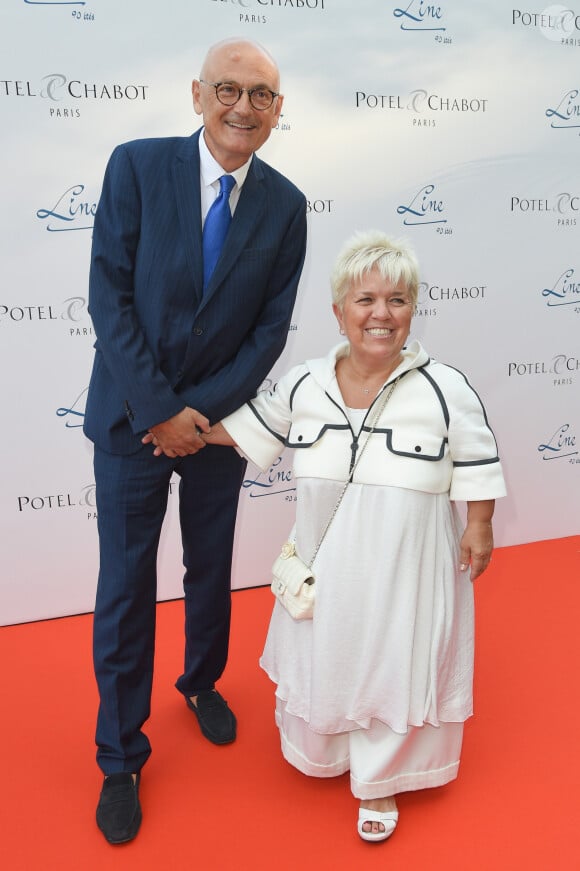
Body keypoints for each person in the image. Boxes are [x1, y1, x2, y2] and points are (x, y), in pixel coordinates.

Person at [190, 231, 506, 842]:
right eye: (365, 301)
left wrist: (480, 524)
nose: (381, 315)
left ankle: (381, 783)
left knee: (399, 660)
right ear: (339, 312)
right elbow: (251, 429)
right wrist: (182, 430)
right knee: (331, 657)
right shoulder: (305, 382)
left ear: (413, 308)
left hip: (409, 566)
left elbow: (476, 457)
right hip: (326, 566)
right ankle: (330, 754)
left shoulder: (445, 385)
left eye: (396, 299)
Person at [84, 38, 307, 844]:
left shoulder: (287, 204)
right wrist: (159, 410)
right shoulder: (136, 167)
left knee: (210, 565)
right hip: (130, 420)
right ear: (196, 94)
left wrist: (200, 417)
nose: (242, 106)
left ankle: (202, 680)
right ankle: (121, 754)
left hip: (219, 428)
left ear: (279, 113)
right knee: (125, 583)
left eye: (261, 95)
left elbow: (268, 331)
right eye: (227, 89)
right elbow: (109, 294)